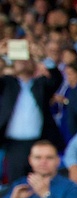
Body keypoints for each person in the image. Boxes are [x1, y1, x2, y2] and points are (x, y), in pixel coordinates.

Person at [0, 53, 64, 182]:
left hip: (39, 142)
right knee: (17, 184)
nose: (23, 62)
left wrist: (43, 56)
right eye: (19, 60)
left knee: (42, 182)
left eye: (27, 59)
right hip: (14, 145)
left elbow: (57, 79)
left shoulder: (41, 84)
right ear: (13, 64)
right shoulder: (7, 83)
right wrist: (2, 56)